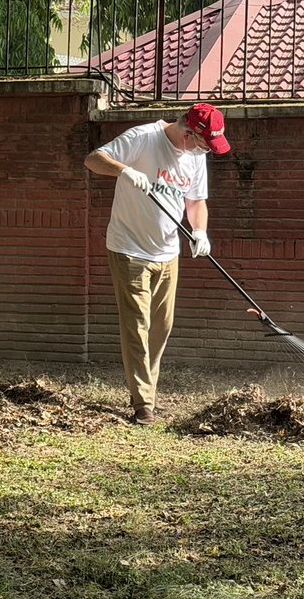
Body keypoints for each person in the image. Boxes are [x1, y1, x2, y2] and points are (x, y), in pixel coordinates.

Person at [84, 103, 231, 425]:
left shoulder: (195, 156)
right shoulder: (144, 137)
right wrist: (124, 170)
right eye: (204, 142)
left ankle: (145, 391)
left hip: (168, 252)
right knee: (137, 325)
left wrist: (200, 232)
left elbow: (195, 201)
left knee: (161, 327)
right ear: (188, 132)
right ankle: (143, 404)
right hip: (129, 248)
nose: (205, 149)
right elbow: (93, 159)